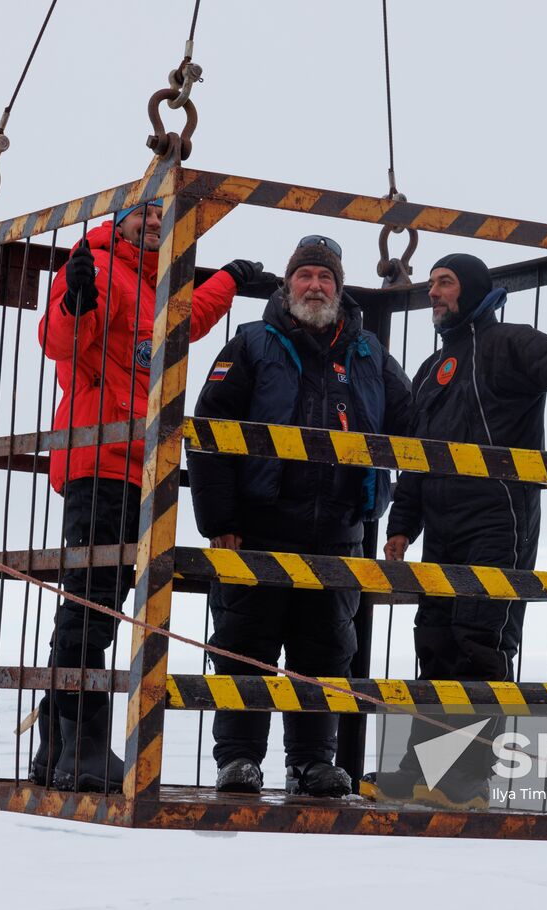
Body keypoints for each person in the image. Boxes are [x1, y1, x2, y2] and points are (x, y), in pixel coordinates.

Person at [30, 199, 268, 792]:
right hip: (102, 464)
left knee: (96, 604)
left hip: (137, 470)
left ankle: (60, 751)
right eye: (145, 214)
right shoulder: (101, 267)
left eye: (164, 216)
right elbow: (62, 338)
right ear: (121, 221)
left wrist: (227, 280)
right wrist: (74, 301)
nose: (155, 223)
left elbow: (186, 319)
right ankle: (76, 748)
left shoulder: (153, 282)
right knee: (93, 606)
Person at [363, 252, 547, 808]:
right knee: (434, 646)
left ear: (473, 289)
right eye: (429, 285)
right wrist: (402, 525)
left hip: (498, 519)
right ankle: (421, 772)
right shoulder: (433, 369)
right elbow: (418, 458)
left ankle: (466, 780)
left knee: (480, 646)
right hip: (440, 528)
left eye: (444, 283)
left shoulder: (511, 344)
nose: (432, 293)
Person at [187, 235, 412, 797]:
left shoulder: (371, 355)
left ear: (339, 289)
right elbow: (208, 429)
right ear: (287, 286)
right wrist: (219, 520)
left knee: (326, 652)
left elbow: (416, 424)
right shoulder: (251, 344)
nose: (315, 285)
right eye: (305, 275)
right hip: (258, 527)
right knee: (245, 644)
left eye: (325, 277)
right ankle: (238, 759)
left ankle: (313, 762)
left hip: (339, 533)